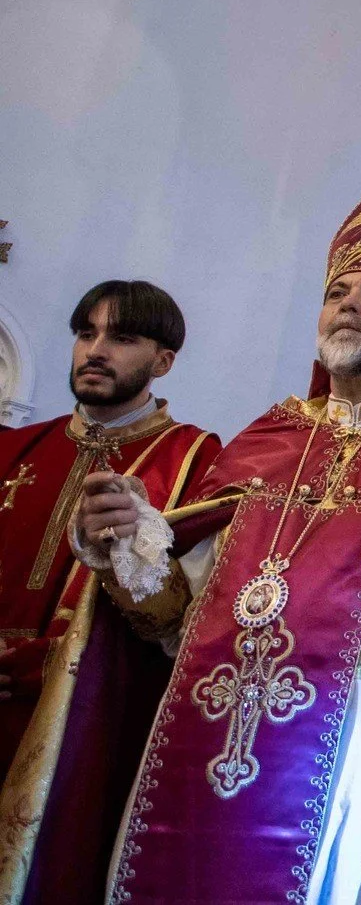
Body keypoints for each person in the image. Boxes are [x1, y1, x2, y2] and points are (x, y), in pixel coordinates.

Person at [3, 153, 361, 905]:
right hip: (210, 714)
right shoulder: (265, 441)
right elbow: (173, 615)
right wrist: (126, 543)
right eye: (337, 293)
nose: (349, 305)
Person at [0, 281, 219, 787]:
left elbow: (185, 615)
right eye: (85, 333)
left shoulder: (198, 460)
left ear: (162, 362)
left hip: (85, 717)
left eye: (121, 339)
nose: (95, 351)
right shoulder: (16, 447)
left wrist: (58, 661)